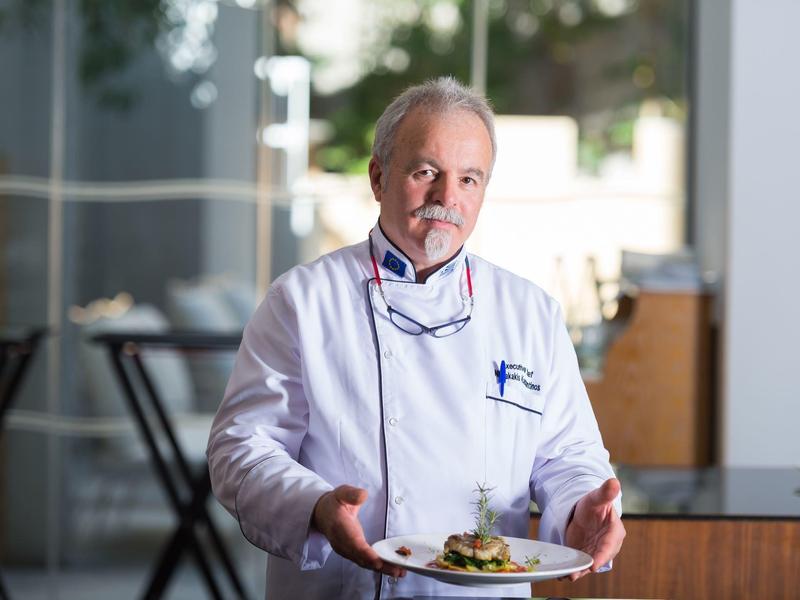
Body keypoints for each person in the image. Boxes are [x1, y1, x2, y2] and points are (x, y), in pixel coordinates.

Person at [207, 76, 625, 599]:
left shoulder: (530, 313)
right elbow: (241, 449)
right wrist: (315, 505)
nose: (446, 197)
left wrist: (583, 506)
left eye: (469, 179)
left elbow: (568, 455)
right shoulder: (303, 301)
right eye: (426, 171)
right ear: (378, 176)